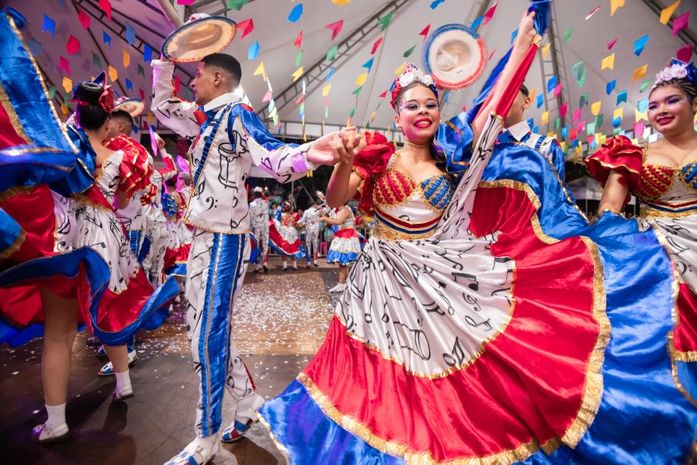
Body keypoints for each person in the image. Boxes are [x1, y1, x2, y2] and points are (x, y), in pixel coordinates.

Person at [259, 8, 697, 465]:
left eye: (430, 104)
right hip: (380, 282)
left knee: (447, 377)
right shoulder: (376, 156)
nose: (423, 112)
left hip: (439, 279)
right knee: (375, 377)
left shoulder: (454, 161)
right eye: (413, 106)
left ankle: (429, 445)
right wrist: (345, 161)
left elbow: (492, 108)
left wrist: (524, 44)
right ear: (398, 113)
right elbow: (334, 201)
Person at [151, 49, 357, 464]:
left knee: (207, 339)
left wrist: (318, 150)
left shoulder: (238, 117)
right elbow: (161, 107)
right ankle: (247, 404)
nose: (191, 83)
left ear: (218, 80)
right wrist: (165, 62)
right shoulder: (204, 119)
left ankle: (205, 437)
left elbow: (275, 158)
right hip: (202, 238)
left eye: (197, 75)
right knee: (204, 336)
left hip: (225, 241)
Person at [587, 58, 697, 397]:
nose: (661, 110)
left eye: (672, 100)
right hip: (654, 251)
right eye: (653, 105)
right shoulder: (632, 152)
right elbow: (608, 210)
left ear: (694, 104)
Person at [502, 83, 566, 178]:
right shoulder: (484, 150)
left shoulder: (546, 147)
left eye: (509, 94)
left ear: (526, 102)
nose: (502, 102)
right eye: (498, 98)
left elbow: (554, 191)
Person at [321, 204, 360, 292]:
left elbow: (338, 221)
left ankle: (347, 284)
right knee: (342, 262)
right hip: (342, 235)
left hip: (347, 235)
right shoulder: (336, 209)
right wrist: (322, 214)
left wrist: (324, 218)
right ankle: (344, 284)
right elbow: (332, 220)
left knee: (344, 261)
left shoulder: (346, 209)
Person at [269, 200, 305, 270]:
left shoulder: (281, 214)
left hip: (284, 232)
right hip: (292, 232)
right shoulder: (294, 215)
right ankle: (294, 265)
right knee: (293, 248)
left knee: (283, 248)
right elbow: (295, 224)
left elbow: (277, 222)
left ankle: (285, 265)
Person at [249, 186, 270, 272]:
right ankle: (265, 262)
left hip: (256, 226)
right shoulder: (266, 203)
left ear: (254, 194)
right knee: (265, 243)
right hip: (265, 225)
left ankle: (257, 264)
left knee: (256, 244)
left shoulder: (252, 204)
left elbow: (250, 216)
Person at [299, 199, 322, 267]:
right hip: (316, 230)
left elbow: (302, 220)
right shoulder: (318, 211)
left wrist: (297, 223)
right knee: (315, 244)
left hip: (308, 230)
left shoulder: (307, 211)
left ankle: (308, 262)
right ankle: (315, 261)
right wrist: (320, 208)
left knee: (308, 245)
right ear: (313, 205)